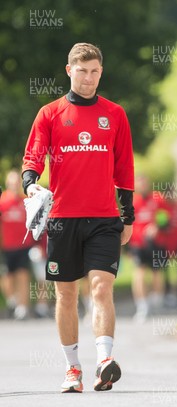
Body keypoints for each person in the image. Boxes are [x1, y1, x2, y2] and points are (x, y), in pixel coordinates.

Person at [21, 43, 135, 393]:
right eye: (82, 71)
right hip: (62, 218)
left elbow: (124, 168)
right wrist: (29, 186)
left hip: (103, 219)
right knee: (66, 295)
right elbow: (32, 158)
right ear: (69, 70)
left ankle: (104, 361)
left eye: (95, 71)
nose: (89, 78)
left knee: (101, 288)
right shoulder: (50, 113)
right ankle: (73, 369)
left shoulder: (115, 114)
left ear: (102, 72)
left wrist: (127, 215)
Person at [0, 170, 35, 320]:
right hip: (6, 247)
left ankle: (22, 307)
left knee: (22, 275)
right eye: (11, 182)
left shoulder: (25, 201)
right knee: (6, 277)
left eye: (16, 182)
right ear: (8, 184)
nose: (14, 185)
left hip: (23, 246)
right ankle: (12, 300)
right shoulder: (2, 202)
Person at [129, 174, 164, 322]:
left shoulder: (157, 198)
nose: (142, 185)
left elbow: (165, 217)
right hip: (138, 244)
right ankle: (142, 306)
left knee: (157, 272)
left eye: (145, 182)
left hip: (156, 242)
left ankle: (157, 300)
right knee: (139, 273)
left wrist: (156, 226)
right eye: (139, 183)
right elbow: (127, 224)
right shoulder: (132, 202)